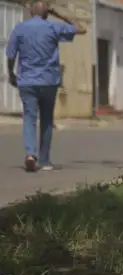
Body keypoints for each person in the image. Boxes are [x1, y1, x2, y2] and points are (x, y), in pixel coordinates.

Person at [5, 1, 86, 172]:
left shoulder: (20, 28)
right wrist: (57, 13)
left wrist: (11, 73)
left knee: (29, 117)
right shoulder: (53, 27)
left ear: (32, 12)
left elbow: (11, 54)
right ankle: (45, 161)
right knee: (47, 120)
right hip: (49, 81)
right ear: (46, 13)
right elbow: (81, 28)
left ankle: (30, 154)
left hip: (26, 81)